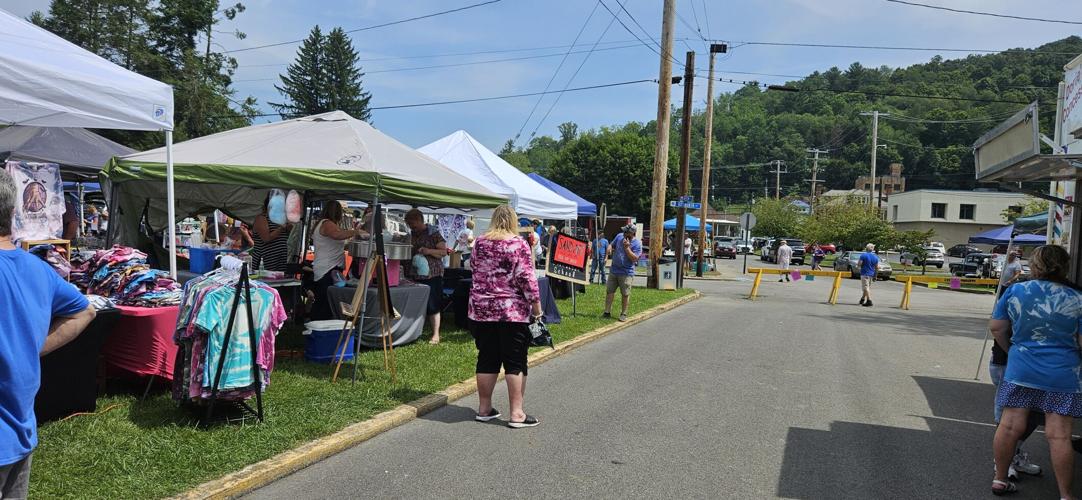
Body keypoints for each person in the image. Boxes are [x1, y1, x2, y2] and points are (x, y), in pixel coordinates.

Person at [0, 170, 96, 498]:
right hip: (21, 432)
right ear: (14, 214)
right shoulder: (38, 268)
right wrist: (31, 347)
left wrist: (27, 347)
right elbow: (86, 311)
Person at [989, 245, 1082, 497]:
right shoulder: (1077, 298)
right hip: (1062, 374)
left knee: (1009, 426)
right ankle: (1066, 495)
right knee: (1059, 435)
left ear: (1036, 265)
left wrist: (1013, 351)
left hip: (1021, 370)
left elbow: (997, 327)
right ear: (1064, 266)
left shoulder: (1016, 290)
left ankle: (999, 479)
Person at [468, 204, 543, 428]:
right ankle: (517, 413)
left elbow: (473, 268)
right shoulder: (517, 244)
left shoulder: (479, 242)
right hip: (512, 313)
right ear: (513, 221)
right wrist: (537, 309)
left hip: (481, 311)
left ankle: (484, 409)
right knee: (515, 361)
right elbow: (528, 280)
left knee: (487, 358)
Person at [310, 201, 365, 320]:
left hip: (327, 267)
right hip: (328, 268)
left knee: (324, 300)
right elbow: (337, 235)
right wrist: (356, 231)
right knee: (325, 301)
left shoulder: (323, 223)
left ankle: (320, 325)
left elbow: (336, 240)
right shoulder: (327, 223)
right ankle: (319, 327)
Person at [406, 208, 450, 344]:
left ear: (420, 220)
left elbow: (443, 252)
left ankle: (436, 334)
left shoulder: (434, 233)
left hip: (432, 275)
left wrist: (428, 251)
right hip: (414, 274)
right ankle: (414, 332)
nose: (411, 226)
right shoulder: (412, 234)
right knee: (416, 304)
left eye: (412, 223)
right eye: (409, 224)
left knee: (433, 304)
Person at [604, 224, 642, 322]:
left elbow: (635, 258)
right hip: (614, 270)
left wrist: (627, 248)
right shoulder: (619, 236)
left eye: (626, 232)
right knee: (609, 291)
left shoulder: (637, 244)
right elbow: (612, 244)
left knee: (625, 294)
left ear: (632, 233)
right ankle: (607, 312)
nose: (624, 233)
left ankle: (623, 313)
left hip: (626, 273)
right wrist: (609, 247)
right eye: (624, 231)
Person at [250, 194, 293, 272]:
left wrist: (289, 229)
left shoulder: (280, 219)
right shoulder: (262, 218)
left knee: (278, 281)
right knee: (265, 281)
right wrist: (281, 228)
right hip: (265, 260)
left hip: (280, 259)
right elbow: (266, 238)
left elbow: (287, 238)